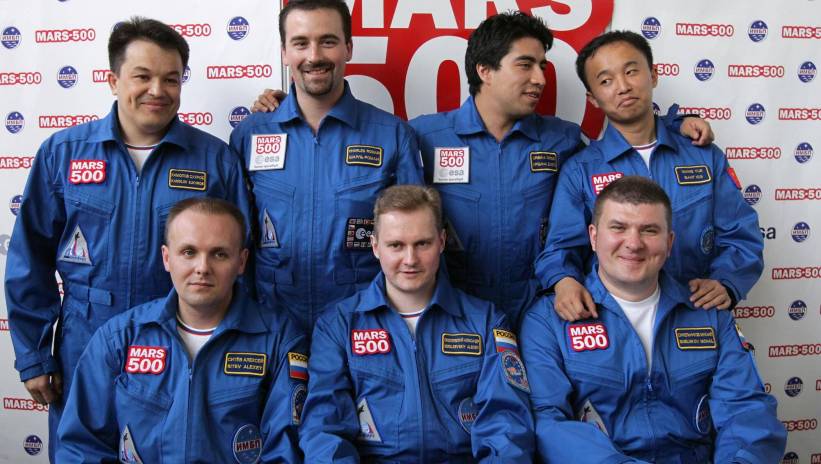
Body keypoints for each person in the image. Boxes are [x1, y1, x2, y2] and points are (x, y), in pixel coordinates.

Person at [253, 12, 714, 325]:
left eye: (542, 66)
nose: (540, 78)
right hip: (455, 316)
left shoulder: (561, 139)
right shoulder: (423, 135)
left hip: (541, 311)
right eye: (526, 65)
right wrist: (279, 109)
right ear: (485, 71)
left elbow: (624, 155)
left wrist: (676, 126)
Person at [4, 17, 251, 459]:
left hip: (179, 341)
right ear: (114, 80)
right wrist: (35, 355)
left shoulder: (214, 161)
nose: (157, 90)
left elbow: (241, 265)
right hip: (85, 338)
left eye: (171, 79)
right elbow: (29, 259)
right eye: (142, 76)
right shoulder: (64, 154)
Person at [521, 176, 786, 463]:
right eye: (618, 228)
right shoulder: (548, 321)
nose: (633, 244)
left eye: (649, 230)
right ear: (593, 237)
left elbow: (747, 411)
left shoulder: (708, 313)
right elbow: (550, 424)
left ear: (669, 242)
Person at [57, 197, 307, 463]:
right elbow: (81, 448)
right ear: (167, 258)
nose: (202, 268)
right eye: (189, 252)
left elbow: (284, 453)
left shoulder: (280, 341)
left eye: (219, 254)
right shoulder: (119, 339)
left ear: (241, 261)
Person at [536, 30, 763, 322]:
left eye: (631, 71)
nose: (623, 87)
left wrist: (727, 282)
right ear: (592, 99)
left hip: (695, 315)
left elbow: (741, 234)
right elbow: (561, 248)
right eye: (606, 81)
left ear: (653, 75)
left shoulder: (703, 156)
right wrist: (563, 281)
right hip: (613, 321)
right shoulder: (581, 170)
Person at [300, 185, 534, 462]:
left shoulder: (486, 322)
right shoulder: (338, 326)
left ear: (442, 242)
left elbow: (506, 427)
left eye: (422, 244)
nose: (410, 260)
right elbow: (324, 432)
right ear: (375, 246)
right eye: (396, 245)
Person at [229, 0, 424, 333]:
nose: (314, 56)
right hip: (271, 325)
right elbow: (234, 241)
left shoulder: (392, 135)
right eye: (300, 43)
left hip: (362, 324)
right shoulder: (250, 135)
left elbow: (415, 240)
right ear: (284, 52)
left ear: (348, 48)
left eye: (328, 41)